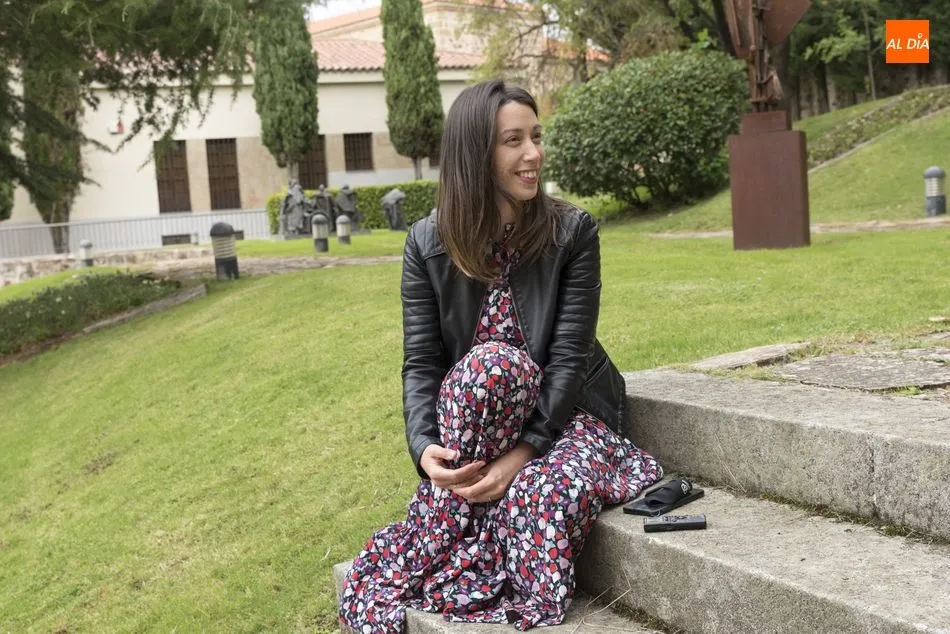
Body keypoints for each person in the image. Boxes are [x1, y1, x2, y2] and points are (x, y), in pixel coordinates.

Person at [339, 80, 662, 632]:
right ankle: (462, 513)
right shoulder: (427, 244)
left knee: (537, 493)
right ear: (474, 154)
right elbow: (421, 363)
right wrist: (424, 449)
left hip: (567, 420)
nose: (533, 154)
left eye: (536, 136)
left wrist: (520, 458)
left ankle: (498, 559)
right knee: (489, 369)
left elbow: (568, 359)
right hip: (479, 426)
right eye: (513, 140)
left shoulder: (571, 232)